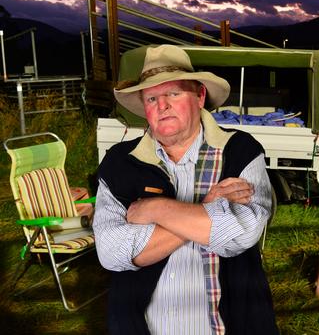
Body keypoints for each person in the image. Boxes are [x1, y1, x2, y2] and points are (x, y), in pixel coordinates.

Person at [93, 44, 278, 334]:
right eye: (152, 97)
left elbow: (241, 232)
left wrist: (153, 209)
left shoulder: (240, 150)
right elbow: (111, 251)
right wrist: (207, 210)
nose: (162, 105)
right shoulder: (120, 163)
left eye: (174, 93)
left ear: (200, 96)